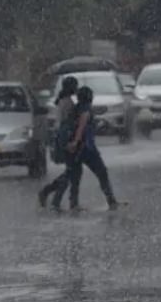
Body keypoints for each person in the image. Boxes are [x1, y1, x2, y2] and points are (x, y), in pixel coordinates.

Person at [60, 86, 119, 212]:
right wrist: (76, 141)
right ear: (90, 97)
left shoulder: (76, 109)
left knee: (75, 176)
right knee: (101, 172)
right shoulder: (85, 109)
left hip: (74, 150)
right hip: (86, 148)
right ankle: (111, 200)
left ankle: (73, 203)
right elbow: (82, 124)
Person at [37, 77, 79, 210]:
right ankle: (52, 197)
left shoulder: (64, 100)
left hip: (62, 137)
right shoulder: (66, 102)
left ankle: (51, 195)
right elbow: (67, 123)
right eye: (75, 86)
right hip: (65, 138)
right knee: (70, 172)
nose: (76, 88)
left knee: (70, 171)